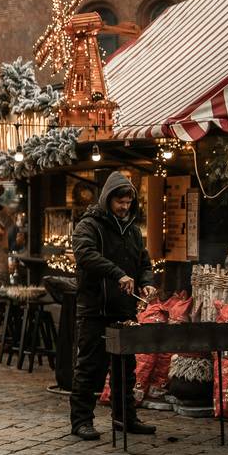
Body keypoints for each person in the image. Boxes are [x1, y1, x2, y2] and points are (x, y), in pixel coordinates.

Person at [69, 172, 158, 440]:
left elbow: (143, 262)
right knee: (89, 367)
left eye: (128, 203)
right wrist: (117, 273)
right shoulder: (89, 225)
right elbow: (86, 255)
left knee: (125, 368)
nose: (124, 207)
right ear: (108, 199)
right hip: (95, 309)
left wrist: (147, 282)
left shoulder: (132, 230)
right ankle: (81, 421)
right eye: (120, 202)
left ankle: (124, 418)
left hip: (123, 310)